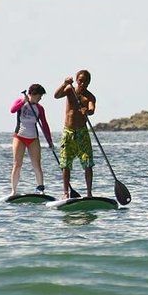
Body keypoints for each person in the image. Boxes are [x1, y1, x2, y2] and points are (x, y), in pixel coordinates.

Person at [54, 70, 96, 199]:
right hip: (68, 132)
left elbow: (92, 109)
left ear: (89, 82)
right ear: (77, 80)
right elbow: (56, 95)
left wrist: (87, 111)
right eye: (80, 80)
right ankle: (66, 193)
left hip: (82, 133)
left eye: (85, 81)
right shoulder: (69, 90)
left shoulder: (89, 97)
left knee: (87, 163)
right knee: (66, 163)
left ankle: (89, 193)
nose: (82, 83)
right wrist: (64, 83)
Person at [9, 84, 53, 196]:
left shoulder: (39, 108)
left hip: (33, 138)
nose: (40, 98)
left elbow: (45, 125)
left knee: (37, 164)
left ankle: (40, 189)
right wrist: (23, 102)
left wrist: (49, 141)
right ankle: (14, 191)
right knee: (17, 164)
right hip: (19, 136)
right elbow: (12, 110)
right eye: (39, 96)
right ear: (33, 94)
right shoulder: (20, 102)